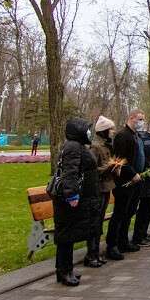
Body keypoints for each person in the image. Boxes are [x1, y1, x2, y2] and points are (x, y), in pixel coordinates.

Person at [51, 118, 100, 286]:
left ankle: (65, 269)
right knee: (66, 235)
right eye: (86, 130)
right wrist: (72, 195)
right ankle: (64, 271)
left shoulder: (77, 146)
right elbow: (70, 172)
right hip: (68, 200)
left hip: (75, 197)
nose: (88, 133)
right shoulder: (73, 147)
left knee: (68, 235)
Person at [106, 109, 147, 260]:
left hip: (136, 180)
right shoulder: (123, 136)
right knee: (119, 214)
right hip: (125, 181)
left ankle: (123, 241)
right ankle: (112, 245)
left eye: (143, 119)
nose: (141, 122)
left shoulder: (135, 136)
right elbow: (120, 160)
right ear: (131, 118)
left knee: (129, 212)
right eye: (140, 119)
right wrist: (132, 173)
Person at [86, 116, 116, 266]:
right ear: (103, 131)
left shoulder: (106, 145)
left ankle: (96, 252)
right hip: (99, 188)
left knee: (99, 221)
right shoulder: (96, 147)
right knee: (95, 222)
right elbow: (92, 170)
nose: (112, 132)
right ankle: (91, 254)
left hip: (106, 187)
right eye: (110, 129)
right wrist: (108, 168)